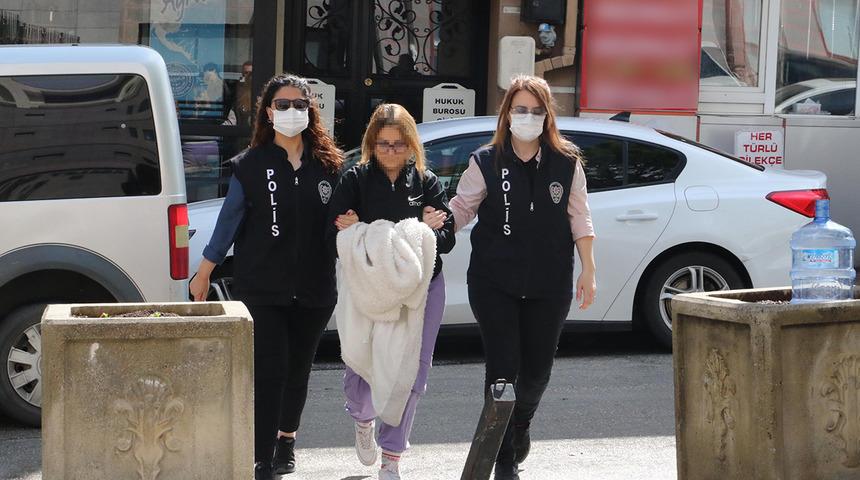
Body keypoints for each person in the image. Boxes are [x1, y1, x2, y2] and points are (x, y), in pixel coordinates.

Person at [189, 73, 344, 480]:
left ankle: (286, 440)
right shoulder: (249, 166)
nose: (291, 111)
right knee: (270, 371)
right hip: (262, 288)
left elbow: (349, 220)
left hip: (314, 288)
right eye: (283, 104)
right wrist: (203, 272)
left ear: (311, 112)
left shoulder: (331, 167)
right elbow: (228, 223)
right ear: (268, 112)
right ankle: (261, 456)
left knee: (298, 370)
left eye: (299, 105)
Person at [449, 74, 597, 480]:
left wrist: (589, 269)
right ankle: (504, 459)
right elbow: (463, 206)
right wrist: (439, 222)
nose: (527, 117)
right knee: (502, 371)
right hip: (493, 282)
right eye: (520, 110)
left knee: (535, 374)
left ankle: (521, 423)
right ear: (507, 113)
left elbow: (580, 217)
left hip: (550, 284)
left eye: (536, 110)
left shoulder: (566, 163)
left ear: (547, 115)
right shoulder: (485, 160)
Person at [327, 103, 455, 480]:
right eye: (383, 144)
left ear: (411, 144)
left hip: (421, 290)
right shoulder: (355, 180)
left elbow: (445, 239)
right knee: (361, 369)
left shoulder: (426, 181)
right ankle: (363, 420)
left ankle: (392, 458)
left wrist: (430, 231)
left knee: (412, 373)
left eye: (399, 144)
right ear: (371, 143)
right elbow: (329, 231)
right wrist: (351, 229)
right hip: (369, 289)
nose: (391, 152)